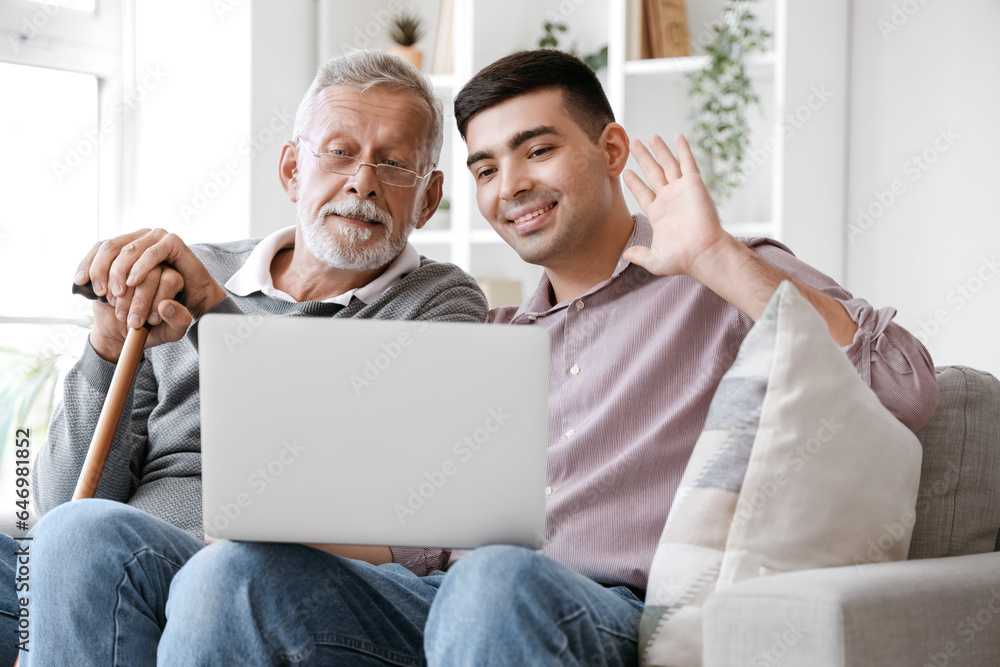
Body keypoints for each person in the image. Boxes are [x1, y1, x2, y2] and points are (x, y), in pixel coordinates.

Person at [43, 49, 941, 665]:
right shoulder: (499, 345)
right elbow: (416, 540)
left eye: (537, 150)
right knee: (233, 572)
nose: (509, 185)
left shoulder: (722, 281)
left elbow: (903, 386)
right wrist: (267, 506)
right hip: (440, 597)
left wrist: (715, 258)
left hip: (586, 609)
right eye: (484, 167)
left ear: (612, 151)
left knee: (496, 576)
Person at [12, 50, 487, 666]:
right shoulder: (197, 270)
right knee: (72, 538)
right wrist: (106, 346)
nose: (363, 181)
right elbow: (61, 506)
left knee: (155, 562)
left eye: (395, 164)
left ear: (427, 199)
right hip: (116, 557)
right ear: (292, 168)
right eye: (339, 152)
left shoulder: (441, 302)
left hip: (283, 575)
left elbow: (347, 471)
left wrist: (214, 313)